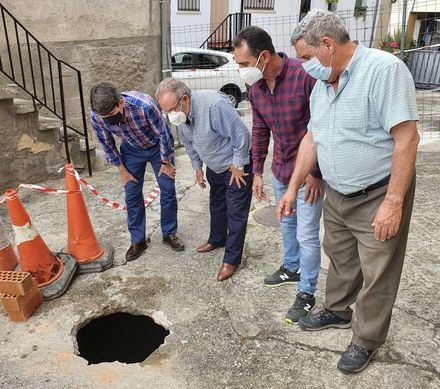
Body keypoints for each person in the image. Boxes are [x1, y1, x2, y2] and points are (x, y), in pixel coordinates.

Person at [278, 9, 419, 374]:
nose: (303, 66)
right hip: (338, 191)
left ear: (327, 45)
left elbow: (406, 139)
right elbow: (312, 137)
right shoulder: (323, 83)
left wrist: (393, 201)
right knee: (339, 255)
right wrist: (292, 188)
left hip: (378, 191)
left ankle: (366, 339)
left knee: (378, 270)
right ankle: (338, 310)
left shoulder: (383, 71)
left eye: (306, 57)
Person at [233, 26, 323, 323]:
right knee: (286, 223)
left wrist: (316, 172)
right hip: (281, 169)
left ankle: (307, 292)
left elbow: (324, 125)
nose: (241, 71)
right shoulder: (256, 88)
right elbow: (260, 130)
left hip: (309, 173)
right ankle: (291, 267)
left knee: (307, 234)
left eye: (244, 64)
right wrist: (257, 170)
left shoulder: (305, 75)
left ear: (264, 56)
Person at [155, 78, 252, 281]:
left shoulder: (214, 106)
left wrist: (239, 164)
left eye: (171, 109)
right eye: (165, 112)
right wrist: (197, 168)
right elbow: (189, 144)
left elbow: (241, 135)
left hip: (235, 166)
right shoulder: (181, 116)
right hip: (214, 166)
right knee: (216, 205)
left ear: (184, 99)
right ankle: (217, 239)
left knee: (236, 213)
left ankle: (232, 259)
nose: (169, 115)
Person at [90, 82, 185, 262]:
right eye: (104, 117)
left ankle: (169, 233)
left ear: (120, 103)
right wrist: (122, 170)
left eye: (111, 114)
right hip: (132, 149)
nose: (107, 119)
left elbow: (163, 133)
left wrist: (165, 162)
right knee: (132, 194)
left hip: (158, 148)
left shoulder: (144, 105)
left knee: (167, 190)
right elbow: (107, 144)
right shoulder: (96, 116)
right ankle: (138, 240)